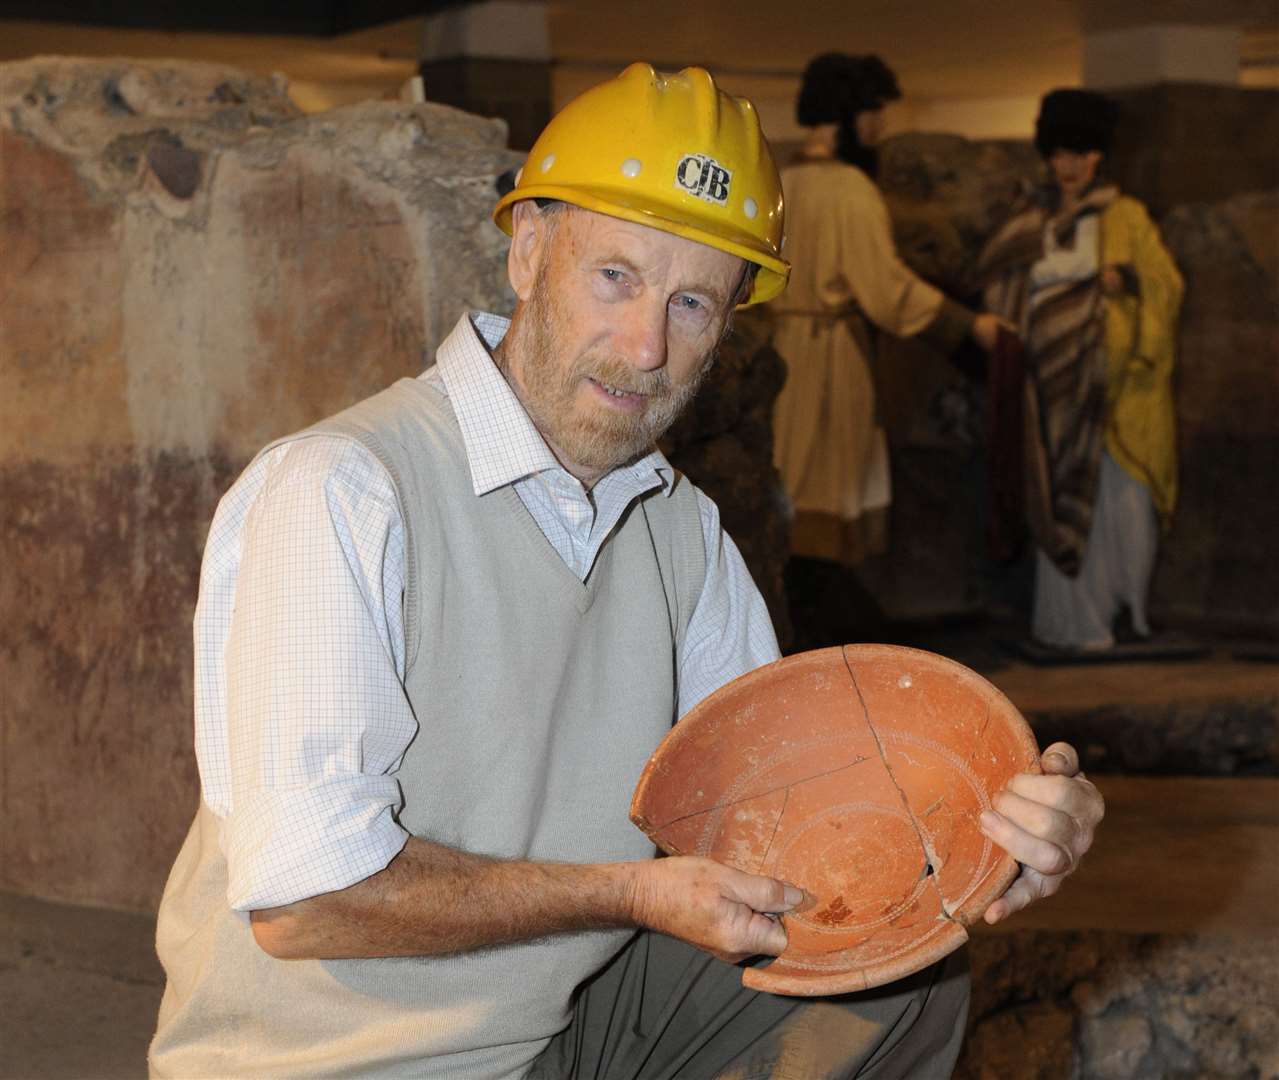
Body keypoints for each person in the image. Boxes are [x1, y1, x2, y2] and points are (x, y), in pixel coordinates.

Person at [149, 63, 1104, 1079]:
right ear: (527, 254)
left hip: (553, 1036)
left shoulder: (682, 533)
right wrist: (630, 894)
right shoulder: (344, 489)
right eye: (616, 277)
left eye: (693, 302)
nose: (645, 344)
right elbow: (305, 904)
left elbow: (786, 820)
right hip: (334, 1063)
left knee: (899, 984)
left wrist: (989, 839)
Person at [769, 53, 1006, 568]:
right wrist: (968, 325)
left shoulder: (778, 182)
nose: (881, 127)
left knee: (790, 477)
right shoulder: (850, 190)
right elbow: (886, 289)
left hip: (783, 351)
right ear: (850, 115)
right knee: (829, 490)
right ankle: (827, 618)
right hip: (832, 359)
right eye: (875, 112)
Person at [977, 89, 1183, 651]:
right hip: (1050, 399)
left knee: (1125, 512)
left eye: (1082, 154)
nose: (1070, 167)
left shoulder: (1127, 217)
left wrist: (1131, 282)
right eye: (1060, 154)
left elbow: (1167, 284)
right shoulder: (1031, 218)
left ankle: (1124, 616)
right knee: (1060, 504)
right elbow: (1000, 283)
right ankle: (1071, 626)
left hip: (1119, 401)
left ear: (1099, 157)